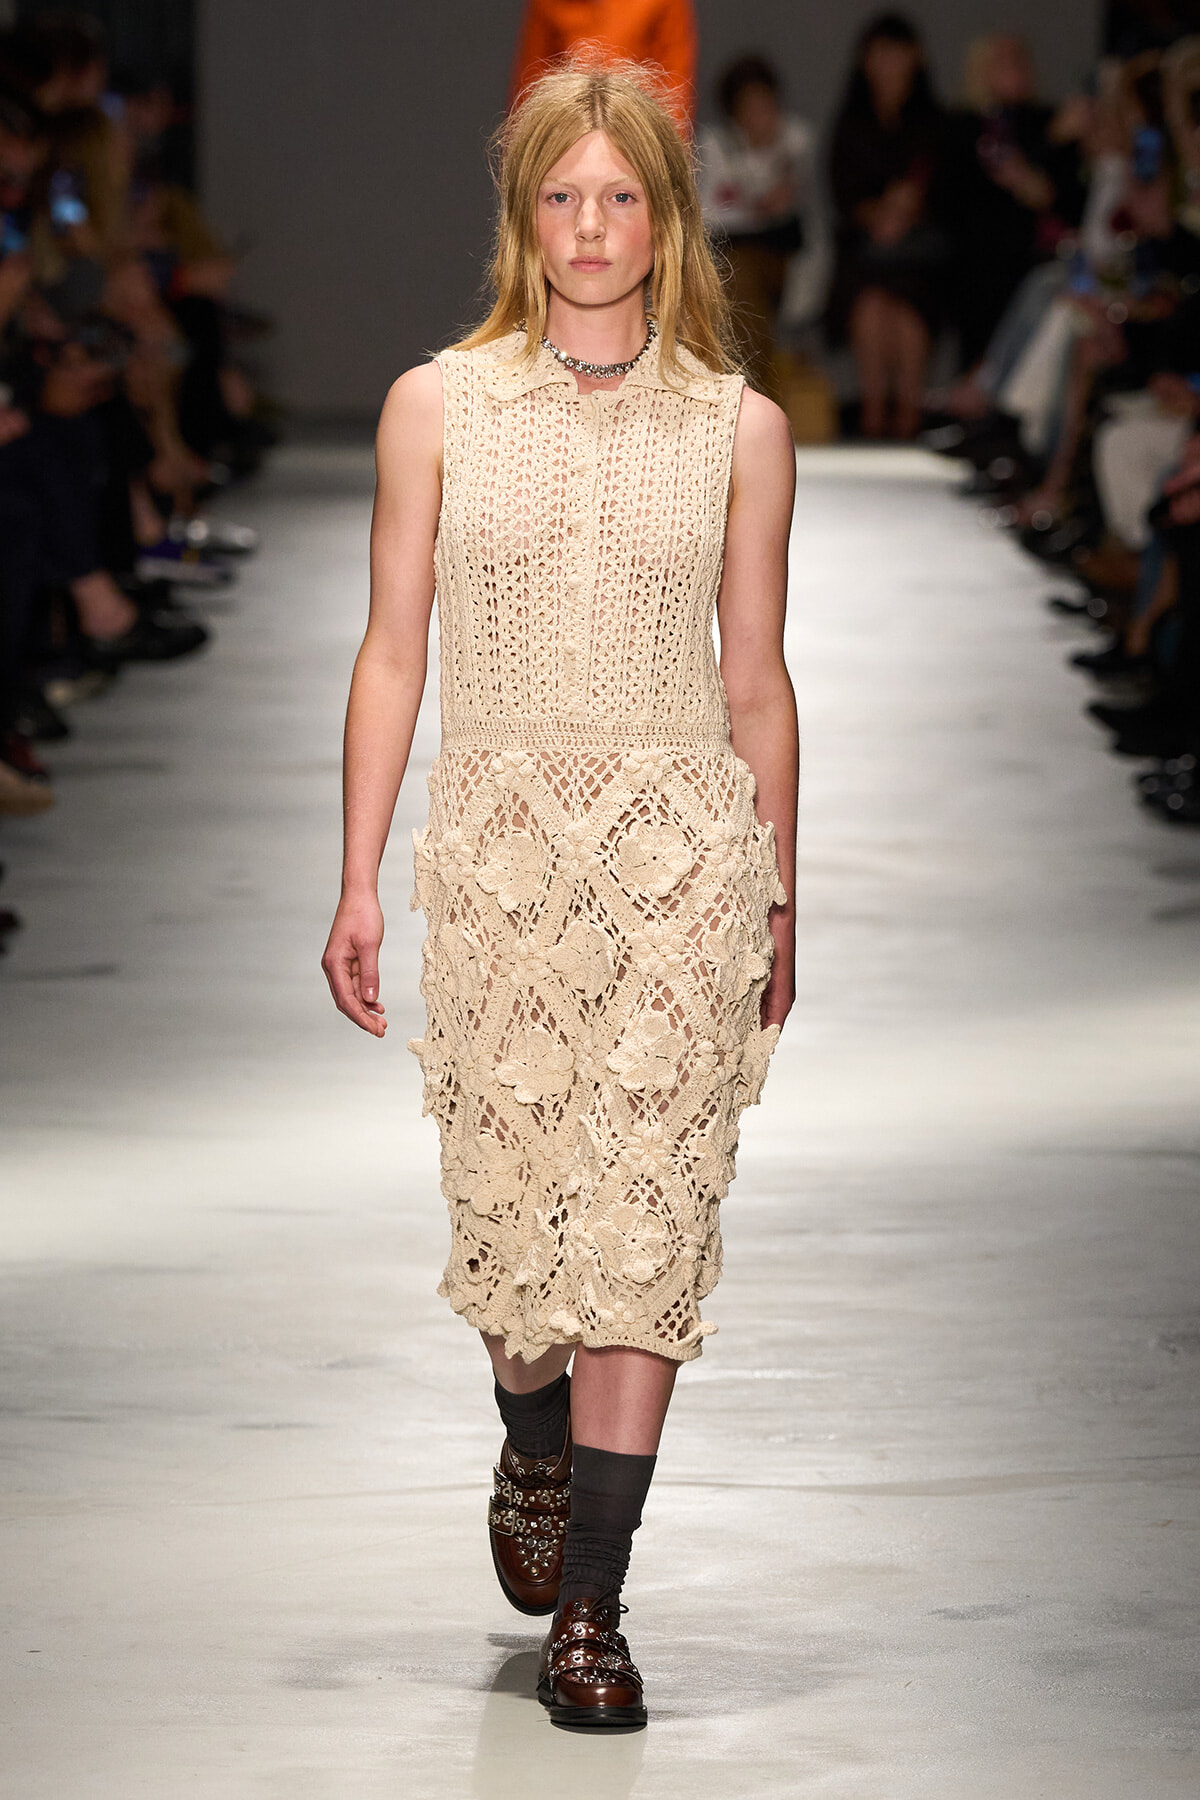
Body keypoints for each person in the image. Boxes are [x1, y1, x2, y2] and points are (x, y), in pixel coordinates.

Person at [322, 53, 798, 1730]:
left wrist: (780, 897)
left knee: (647, 1220)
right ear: (523, 218)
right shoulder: (436, 407)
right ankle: (532, 1432)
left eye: (621, 197)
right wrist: (358, 877)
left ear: (670, 221)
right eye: (561, 196)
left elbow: (758, 682)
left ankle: (592, 1608)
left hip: (682, 865)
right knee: (520, 1236)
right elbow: (394, 651)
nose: (591, 227)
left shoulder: (740, 430)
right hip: (505, 867)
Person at [827, 11, 949, 439]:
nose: (888, 65)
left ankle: (909, 411)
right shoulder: (852, 123)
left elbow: (949, 193)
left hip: (923, 257)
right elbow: (842, 193)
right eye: (880, 54)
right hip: (864, 252)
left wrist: (908, 211)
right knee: (870, 306)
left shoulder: (935, 123)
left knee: (907, 311)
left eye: (897, 53)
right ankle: (875, 412)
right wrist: (878, 214)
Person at [943, 35, 1086, 368]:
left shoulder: (1048, 119)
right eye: (1002, 61)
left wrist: (1034, 173)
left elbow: (1064, 194)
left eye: (1020, 59)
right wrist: (1042, 154)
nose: (1015, 68)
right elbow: (970, 199)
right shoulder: (966, 126)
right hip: (984, 263)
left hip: (1047, 256)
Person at [698, 52, 817, 403]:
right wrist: (757, 208)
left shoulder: (797, 141)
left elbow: (809, 214)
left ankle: (754, 401)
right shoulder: (716, 146)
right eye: (749, 108)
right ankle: (755, 400)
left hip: (792, 259)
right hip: (732, 256)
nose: (759, 116)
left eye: (765, 106)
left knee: (742, 290)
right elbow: (708, 215)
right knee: (739, 288)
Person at [510, 0, 697, 121]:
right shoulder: (548, 4)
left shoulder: (663, 4)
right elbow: (531, 82)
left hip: (637, 129)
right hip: (566, 128)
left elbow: (675, 86)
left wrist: (668, 157)